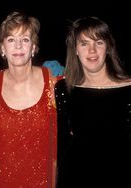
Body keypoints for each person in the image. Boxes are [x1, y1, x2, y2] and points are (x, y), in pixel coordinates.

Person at [0, 11, 60, 188]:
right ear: (2, 48)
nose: (18, 46)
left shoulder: (55, 83)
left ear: (33, 47)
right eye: (10, 40)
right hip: (2, 182)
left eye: (25, 39)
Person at [55, 16, 131, 188]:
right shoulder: (64, 89)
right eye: (84, 43)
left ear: (108, 47)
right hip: (75, 177)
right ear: (75, 49)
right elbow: (62, 144)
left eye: (98, 42)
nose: (92, 50)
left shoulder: (128, 89)